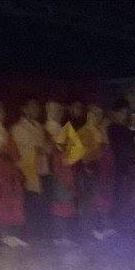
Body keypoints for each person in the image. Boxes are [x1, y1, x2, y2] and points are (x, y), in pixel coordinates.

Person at [0, 100, 27, 247]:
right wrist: (4, 154)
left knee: (15, 203)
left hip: (12, 172)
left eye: (1, 111)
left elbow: (14, 152)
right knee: (2, 204)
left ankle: (14, 235)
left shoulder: (5, 131)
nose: (0, 114)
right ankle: (4, 236)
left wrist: (16, 162)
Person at [107, 98, 135, 235]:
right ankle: (123, 228)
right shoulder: (113, 129)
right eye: (122, 113)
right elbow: (122, 149)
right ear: (114, 113)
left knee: (130, 199)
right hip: (121, 169)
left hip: (127, 169)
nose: (124, 116)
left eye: (126, 113)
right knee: (123, 198)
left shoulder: (122, 129)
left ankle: (128, 227)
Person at [11, 99, 52, 240]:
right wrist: (39, 149)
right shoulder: (17, 128)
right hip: (27, 170)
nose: (35, 110)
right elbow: (19, 150)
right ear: (24, 109)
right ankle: (30, 235)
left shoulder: (40, 127)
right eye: (32, 107)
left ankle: (41, 234)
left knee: (42, 203)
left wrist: (46, 148)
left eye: (37, 107)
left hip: (42, 169)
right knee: (30, 202)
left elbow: (44, 147)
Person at [46, 101, 83, 246]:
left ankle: (64, 236)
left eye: (60, 111)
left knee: (66, 205)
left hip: (67, 171)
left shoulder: (63, 128)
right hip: (58, 172)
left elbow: (76, 150)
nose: (58, 114)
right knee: (60, 205)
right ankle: (59, 236)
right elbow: (52, 151)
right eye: (55, 111)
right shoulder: (48, 129)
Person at [78, 104, 116, 239]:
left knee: (105, 200)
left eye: (100, 113)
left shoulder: (100, 130)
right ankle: (94, 229)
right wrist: (100, 151)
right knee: (94, 201)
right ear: (89, 114)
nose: (99, 117)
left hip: (105, 171)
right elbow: (83, 157)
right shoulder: (83, 132)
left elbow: (108, 149)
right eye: (96, 113)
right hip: (92, 172)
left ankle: (105, 227)